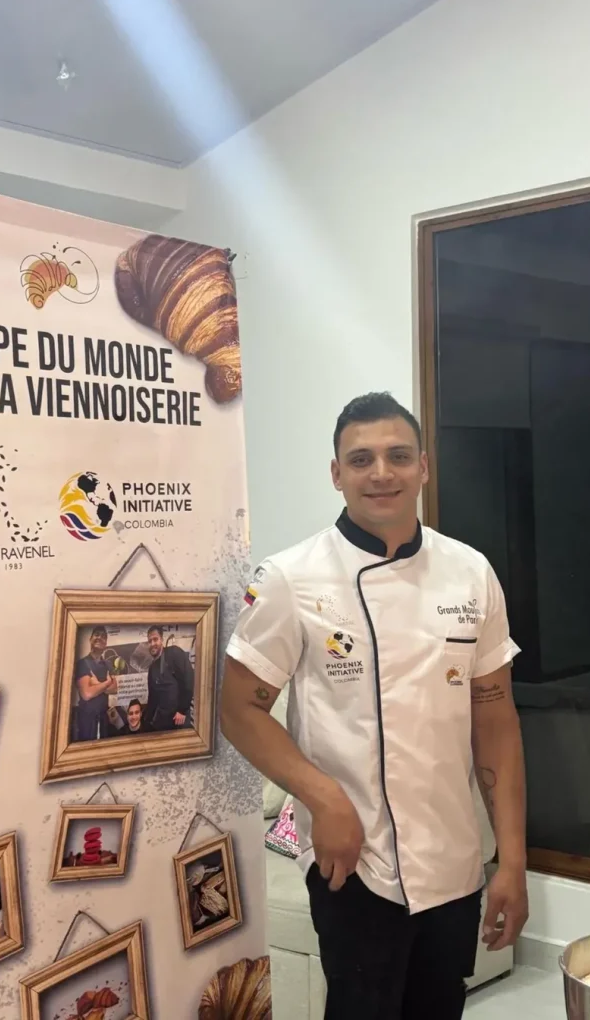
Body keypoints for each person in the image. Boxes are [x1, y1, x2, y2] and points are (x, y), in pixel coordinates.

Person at [221, 392, 528, 1020]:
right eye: (361, 459)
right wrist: (324, 798)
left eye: (398, 456)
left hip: (453, 860)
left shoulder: (470, 573)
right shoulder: (289, 579)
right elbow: (238, 710)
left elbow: (495, 721)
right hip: (352, 861)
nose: (381, 473)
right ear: (337, 474)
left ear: (424, 467)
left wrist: (514, 858)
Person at [143, 626, 194, 731]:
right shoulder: (152, 668)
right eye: (149, 641)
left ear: (162, 639)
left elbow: (188, 679)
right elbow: (152, 697)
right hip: (163, 721)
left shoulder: (174, 653)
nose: (152, 644)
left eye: (155, 639)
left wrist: (182, 710)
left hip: (179, 718)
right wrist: (146, 720)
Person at [73, 626, 117, 742]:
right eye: (97, 634)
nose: (100, 638)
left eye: (103, 636)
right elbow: (87, 694)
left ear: (106, 643)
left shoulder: (108, 664)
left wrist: (96, 683)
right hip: (86, 720)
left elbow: (114, 689)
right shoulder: (82, 664)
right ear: (90, 639)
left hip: (104, 718)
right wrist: (107, 683)